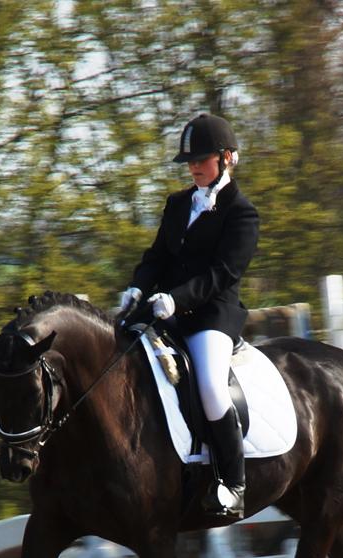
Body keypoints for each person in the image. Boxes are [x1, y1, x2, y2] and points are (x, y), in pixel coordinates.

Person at [118, 113, 260, 520]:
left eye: (203, 160)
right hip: (166, 308)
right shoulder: (178, 204)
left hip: (213, 315)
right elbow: (157, 257)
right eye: (190, 162)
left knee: (212, 387)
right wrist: (138, 287)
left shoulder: (241, 213)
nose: (195, 168)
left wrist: (176, 300)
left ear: (227, 158)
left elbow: (223, 274)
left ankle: (234, 483)